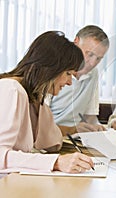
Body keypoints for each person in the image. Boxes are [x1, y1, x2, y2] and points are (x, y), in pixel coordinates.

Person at [0, 31, 94, 173]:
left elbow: (52, 143)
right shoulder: (11, 89)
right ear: (50, 68)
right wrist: (56, 162)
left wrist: (40, 105)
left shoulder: (33, 97)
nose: (70, 82)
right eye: (68, 74)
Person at [49, 25, 109, 135]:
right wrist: (73, 129)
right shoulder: (53, 69)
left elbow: (90, 117)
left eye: (98, 58)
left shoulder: (93, 74)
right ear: (76, 42)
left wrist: (96, 127)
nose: (92, 63)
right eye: (89, 54)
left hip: (74, 137)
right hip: (51, 136)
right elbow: (38, 125)